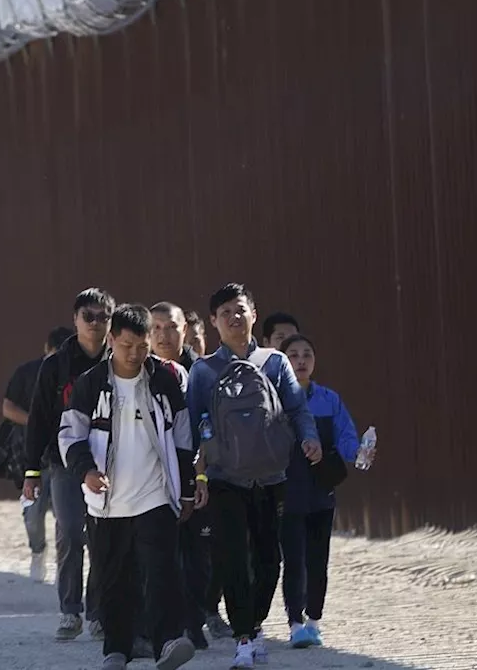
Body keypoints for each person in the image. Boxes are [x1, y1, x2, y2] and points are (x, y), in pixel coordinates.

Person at [185, 283, 321, 669]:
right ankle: (243, 636)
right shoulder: (204, 370)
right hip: (225, 477)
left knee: (268, 559)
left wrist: (309, 438)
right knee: (231, 557)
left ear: (253, 314)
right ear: (213, 321)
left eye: (240, 309)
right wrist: (197, 477)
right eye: (225, 311)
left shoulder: (275, 362)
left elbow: (297, 409)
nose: (234, 316)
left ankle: (256, 623)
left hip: (271, 476)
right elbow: (192, 427)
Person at [60, 304, 199, 670]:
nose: (134, 354)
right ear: (111, 341)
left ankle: (167, 643)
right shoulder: (90, 384)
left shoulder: (164, 383)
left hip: (155, 494)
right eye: (126, 346)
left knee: (161, 572)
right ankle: (116, 650)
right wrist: (86, 471)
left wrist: (185, 489)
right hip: (107, 502)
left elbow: (184, 440)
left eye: (141, 346)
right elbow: (69, 436)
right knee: (113, 579)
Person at [24, 288, 115, 640]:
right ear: (75, 320)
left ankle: (98, 612)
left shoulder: (119, 360)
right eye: (87, 317)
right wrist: (32, 470)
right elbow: (38, 421)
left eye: (102, 317)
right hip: (64, 464)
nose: (95, 324)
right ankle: (69, 611)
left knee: (103, 537)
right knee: (71, 533)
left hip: (109, 461)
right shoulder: (56, 366)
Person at [279, 334, 367, 649]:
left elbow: (346, 438)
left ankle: (314, 620)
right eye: (293, 355)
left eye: (307, 355)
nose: (301, 361)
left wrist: (359, 453)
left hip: (321, 491)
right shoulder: (275, 399)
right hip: (287, 492)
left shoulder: (329, 399)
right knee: (294, 560)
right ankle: (295, 624)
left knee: (318, 560)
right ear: (282, 361)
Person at [149, 301, 222, 648]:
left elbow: (208, 429)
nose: (164, 335)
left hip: (197, 474)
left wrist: (201, 477)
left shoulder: (202, 372)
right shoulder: (137, 371)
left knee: (197, 558)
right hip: (151, 480)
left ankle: (195, 622)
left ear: (186, 331)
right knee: (158, 556)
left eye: (172, 327)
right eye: (157, 328)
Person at [0, 326, 73, 583]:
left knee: (65, 517)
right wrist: (35, 422)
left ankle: (63, 566)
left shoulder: (77, 373)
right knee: (33, 514)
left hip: (66, 458)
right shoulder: (28, 372)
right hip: (32, 457)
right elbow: (7, 408)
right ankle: (37, 551)